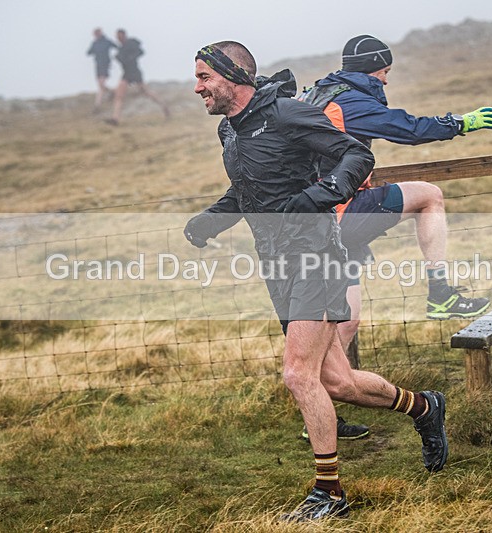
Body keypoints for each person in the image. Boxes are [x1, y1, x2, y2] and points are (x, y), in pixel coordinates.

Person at [184, 41, 448, 523]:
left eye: (204, 77)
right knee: (337, 381)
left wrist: (322, 194)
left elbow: (355, 156)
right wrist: (212, 219)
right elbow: (248, 189)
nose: (197, 87)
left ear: (233, 76)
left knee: (297, 374)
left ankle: (329, 492)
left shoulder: (287, 114)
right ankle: (425, 408)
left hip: (317, 257)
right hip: (277, 265)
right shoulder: (230, 131)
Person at [296, 34, 492, 441]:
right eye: (385, 72)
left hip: (317, 223)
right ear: (373, 68)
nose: (386, 81)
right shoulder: (349, 102)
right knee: (429, 196)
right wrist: (460, 123)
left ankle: (318, 415)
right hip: (338, 214)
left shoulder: (316, 94)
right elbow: (405, 128)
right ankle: (440, 293)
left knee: (345, 322)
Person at [106, 29, 169, 125]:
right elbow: (122, 59)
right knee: (119, 95)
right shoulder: (121, 48)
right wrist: (119, 58)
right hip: (126, 73)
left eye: (120, 36)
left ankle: (164, 106)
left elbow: (140, 52)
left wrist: (131, 57)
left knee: (146, 92)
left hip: (135, 71)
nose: (119, 38)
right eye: (117, 37)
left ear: (124, 35)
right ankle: (115, 119)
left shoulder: (131, 43)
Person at [86, 27, 118, 112]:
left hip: (105, 64)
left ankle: (97, 105)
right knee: (101, 85)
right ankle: (112, 92)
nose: (96, 35)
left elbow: (117, 47)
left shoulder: (106, 41)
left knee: (101, 84)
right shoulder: (95, 43)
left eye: (97, 33)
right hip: (98, 65)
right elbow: (89, 52)